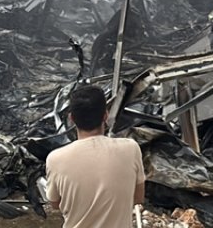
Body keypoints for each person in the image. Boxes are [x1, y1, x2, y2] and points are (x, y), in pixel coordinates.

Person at [45, 85, 146, 228]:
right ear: (105, 115)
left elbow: (55, 204)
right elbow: (138, 198)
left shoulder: (55, 159)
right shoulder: (131, 148)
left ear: (72, 118)